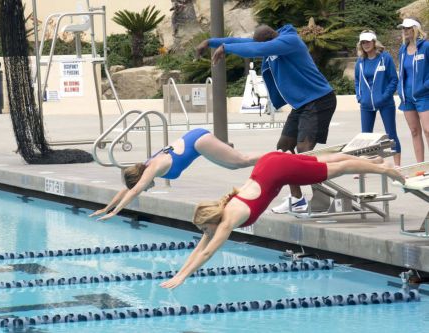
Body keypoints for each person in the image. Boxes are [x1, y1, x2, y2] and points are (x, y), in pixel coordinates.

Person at [160, 151, 405, 289]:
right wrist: (178, 272)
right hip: (269, 162)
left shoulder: (227, 220)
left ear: (212, 222)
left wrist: (183, 277)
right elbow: (198, 249)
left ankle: (384, 169)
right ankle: (374, 161)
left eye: (205, 229)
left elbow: (206, 254)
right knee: (325, 161)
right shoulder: (219, 212)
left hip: (278, 169)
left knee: (337, 169)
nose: (206, 233)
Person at [196, 24, 337, 214]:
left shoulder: (289, 41)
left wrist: (226, 49)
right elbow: (242, 42)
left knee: (304, 151)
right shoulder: (270, 43)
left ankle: (322, 197)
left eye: (263, 44)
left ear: (271, 38)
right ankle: (297, 200)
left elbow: (257, 48)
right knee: (284, 148)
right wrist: (211, 42)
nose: (260, 48)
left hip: (319, 100)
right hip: (302, 105)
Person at [90, 128, 261, 221]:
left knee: (241, 160)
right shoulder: (145, 166)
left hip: (198, 141)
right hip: (196, 142)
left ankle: (279, 157)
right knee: (233, 166)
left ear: (140, 180)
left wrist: (115, 213)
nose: (146, 189)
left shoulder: (152, 168)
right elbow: (127, 190)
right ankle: (276, 157)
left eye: (144, 187)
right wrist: (106, 208)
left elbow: (134, 191)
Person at [354, 30, 401, 166]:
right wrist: (359, 97)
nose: (366, 44)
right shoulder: (360, 61)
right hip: (366, 105)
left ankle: (397, 166)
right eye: (363, 42)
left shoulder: (385, 58)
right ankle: (367, 166)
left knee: (391, 134)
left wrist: (384, 97)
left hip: (385, 103)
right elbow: (357, 81)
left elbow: (393, 80)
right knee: (366, 137)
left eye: (368, 41)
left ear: (374, 42)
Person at [397, 17, 429, 162]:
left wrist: (424, 86)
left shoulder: (426, 47)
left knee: (428, 131)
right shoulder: (402, 50)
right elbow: (402, 72)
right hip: (407, 97)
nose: (405, 31)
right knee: (414, 131)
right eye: (403, 28)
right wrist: (400, 89)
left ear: (415, 29)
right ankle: (421, 166)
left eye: (407, 28)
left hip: (424, 96)